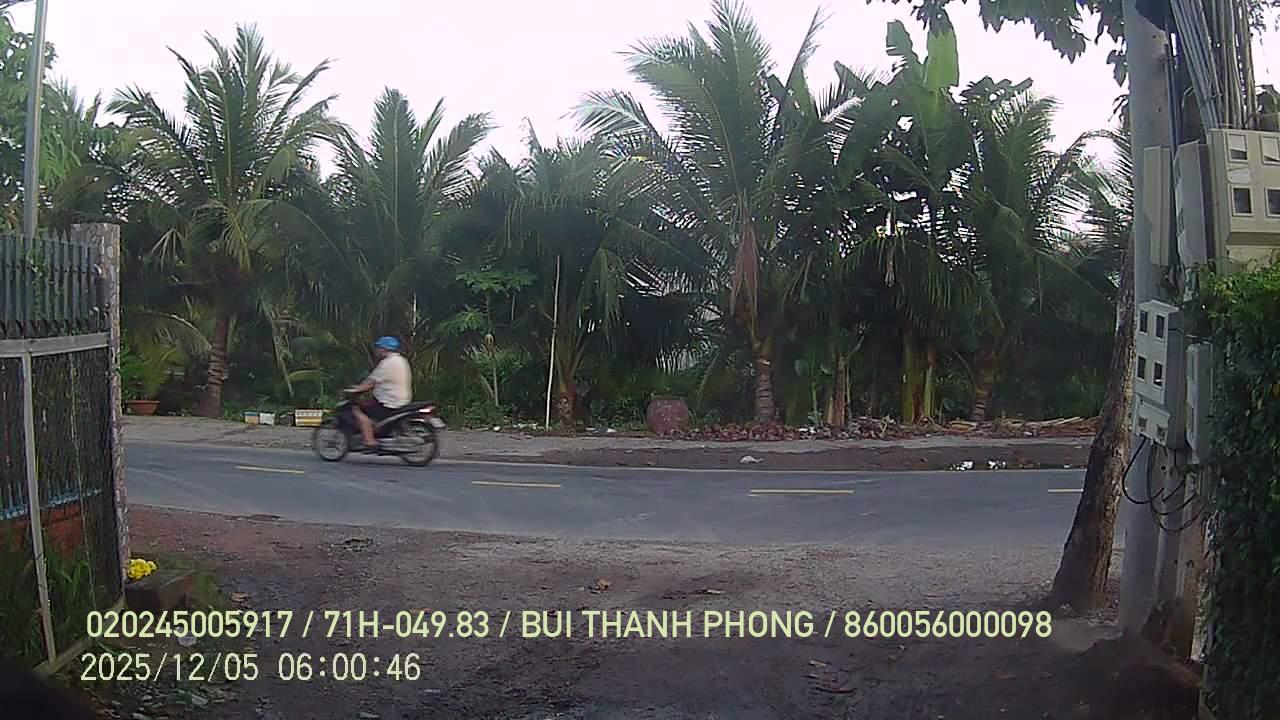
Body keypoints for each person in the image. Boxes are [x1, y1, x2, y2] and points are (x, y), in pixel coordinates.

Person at [345, 336, 412, 449]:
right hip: (402, 400)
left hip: (388, 402)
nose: (377, 350)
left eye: (378, 348)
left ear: (384, 349)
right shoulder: (402, 360)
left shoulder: (387, 364)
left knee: (357, 409)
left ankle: (369, 441)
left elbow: (370, 382)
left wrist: (355, 390)